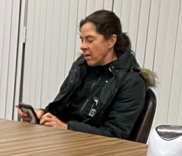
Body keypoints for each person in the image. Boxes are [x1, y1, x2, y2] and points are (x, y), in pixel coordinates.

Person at [19, 10, 154, 140]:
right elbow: (61, 109)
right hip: (67, 144)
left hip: (97, 154)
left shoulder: (131, 82)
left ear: (111, 41)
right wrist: (42, 115)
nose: (83, 46)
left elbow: (115, 134)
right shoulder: (82, 66)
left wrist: (67, 127)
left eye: (90, 40)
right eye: (82, 40)